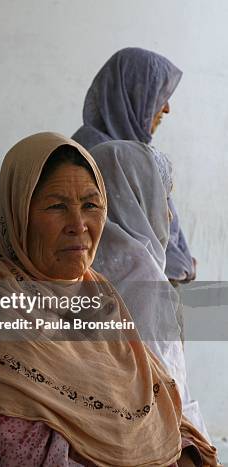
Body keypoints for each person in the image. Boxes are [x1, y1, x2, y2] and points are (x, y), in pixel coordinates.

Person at [0, 132, 217, 466]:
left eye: (91, 205)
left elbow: (165, 408)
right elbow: (25, 457)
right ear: (17, 212)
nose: (78, 225)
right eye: (57, 206)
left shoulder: (97, 294)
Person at [91, 139, 209, 438]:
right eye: (164, 199)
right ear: (135, 199)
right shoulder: (144, 276)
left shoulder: (78, 265)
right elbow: (171, 388)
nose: (169, 215)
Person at [72, 47, 195, 284]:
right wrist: (179, 266)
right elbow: (136, 253)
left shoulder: (133, 158)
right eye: (159, 94)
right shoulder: (101, 158)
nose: (167, 108)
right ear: (130, 95)